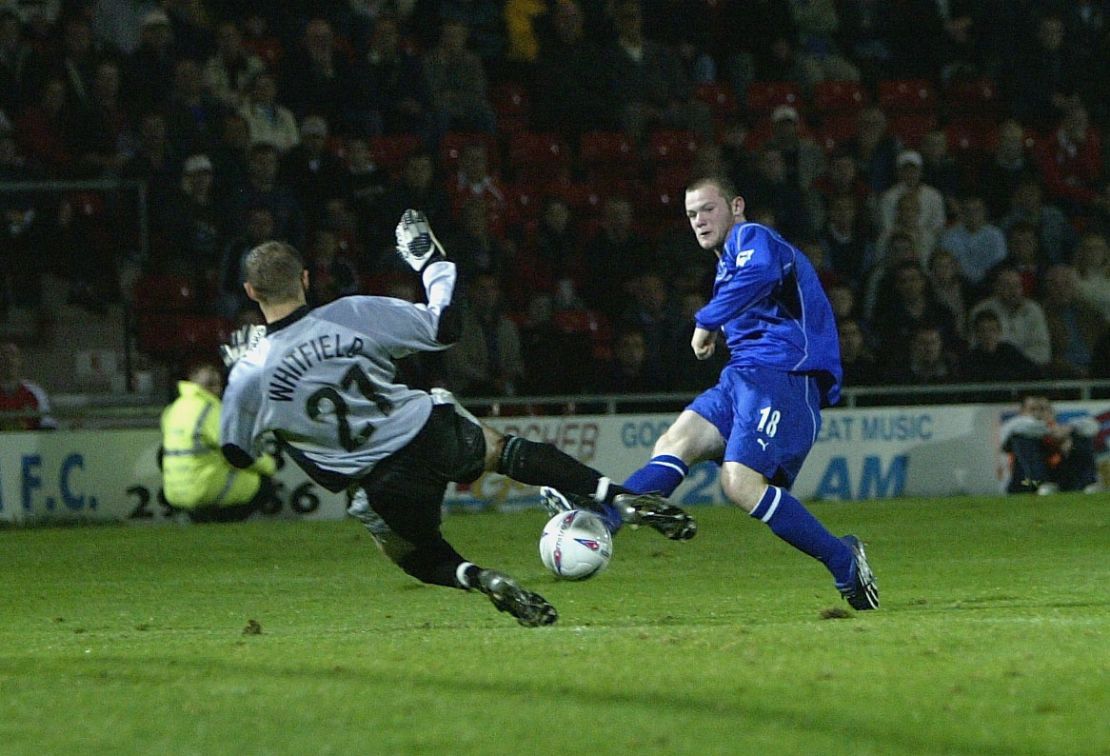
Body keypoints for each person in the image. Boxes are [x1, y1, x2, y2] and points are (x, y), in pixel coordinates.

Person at [218, 211, 696, 627]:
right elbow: (444, 326)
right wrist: (431, 262)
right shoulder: (351, 312)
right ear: (305, 278)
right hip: (426, 430)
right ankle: (620, 498)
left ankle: (483, 578)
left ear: (250, 291)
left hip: (379, 481)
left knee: (414, 555)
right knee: (504, 451)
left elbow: (238, 453)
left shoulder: (250, 373)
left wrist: (258, 396)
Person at [546, 176, 878, 611]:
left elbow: (761, 273)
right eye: (690, 215)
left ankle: (844, 560)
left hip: (784, 376)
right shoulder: (726, 267)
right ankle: (603, 518)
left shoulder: (753, 237)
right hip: (742, 378)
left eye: (707, 209)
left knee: (739, 483)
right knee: (674, 443)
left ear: (736, 206)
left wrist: (706, 321)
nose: (698, 221)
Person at [160, 362, 276, 523]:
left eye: (217, 383)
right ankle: (222, 522)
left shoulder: (174, 409)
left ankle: (199, 519)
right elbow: (240, 450)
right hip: (203, 490)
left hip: (174, 491)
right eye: (211, 383)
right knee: (265, 484)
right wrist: (270, 466)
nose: (216, 388)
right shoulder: (209, 410)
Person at [1000, 394, 1100, 495]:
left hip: (1059, 481)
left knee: (1081, 437)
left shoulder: (1063, 428)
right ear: (1022, 413)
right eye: (1033, 409)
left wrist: (1069, 431)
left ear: (1052, 412)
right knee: (1021, 439)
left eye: (1043, 409)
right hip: (1028, 482)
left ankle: (1089, 483)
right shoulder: (1015, 426)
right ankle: (1042, 485)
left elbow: (1093, 426)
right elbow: (1017, 429)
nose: (1038, 414)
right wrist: (1050, 432)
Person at [0, 341, 56, 430]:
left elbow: (48, 426)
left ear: (19, 361)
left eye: (13, 356)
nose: (9, 360)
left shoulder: (36, 392)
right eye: (3, 356)